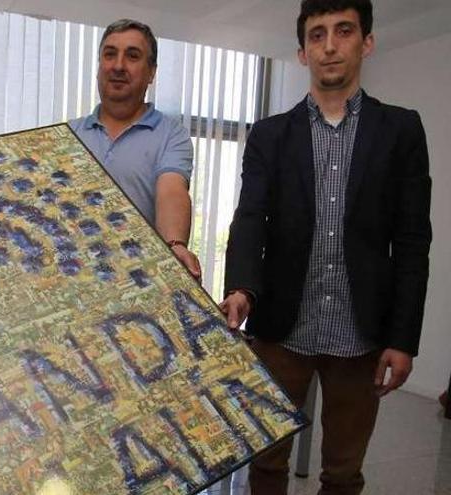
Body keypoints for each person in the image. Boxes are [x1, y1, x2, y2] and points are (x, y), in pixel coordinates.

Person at [220, 0, 431, 493]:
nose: (330, 46)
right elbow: (250, 218)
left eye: (343, 31)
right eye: (317, 35)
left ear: (367, 42)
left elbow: (412, 240)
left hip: (361, 336)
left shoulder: (400, 130)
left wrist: (403, 339)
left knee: (342, 472)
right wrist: (242, 287)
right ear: (302, 52)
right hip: (281, 331)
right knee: (267, 463)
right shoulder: (271, 135)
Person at [69, 19, 200, 279]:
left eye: (132, 56)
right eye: (109, 55)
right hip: (74, 281)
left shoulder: (171, 135)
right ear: (98, 67)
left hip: (137, 284)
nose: (118, 65)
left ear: (151, 72)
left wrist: (174, 245)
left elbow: (171, 190)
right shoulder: (69, 135)